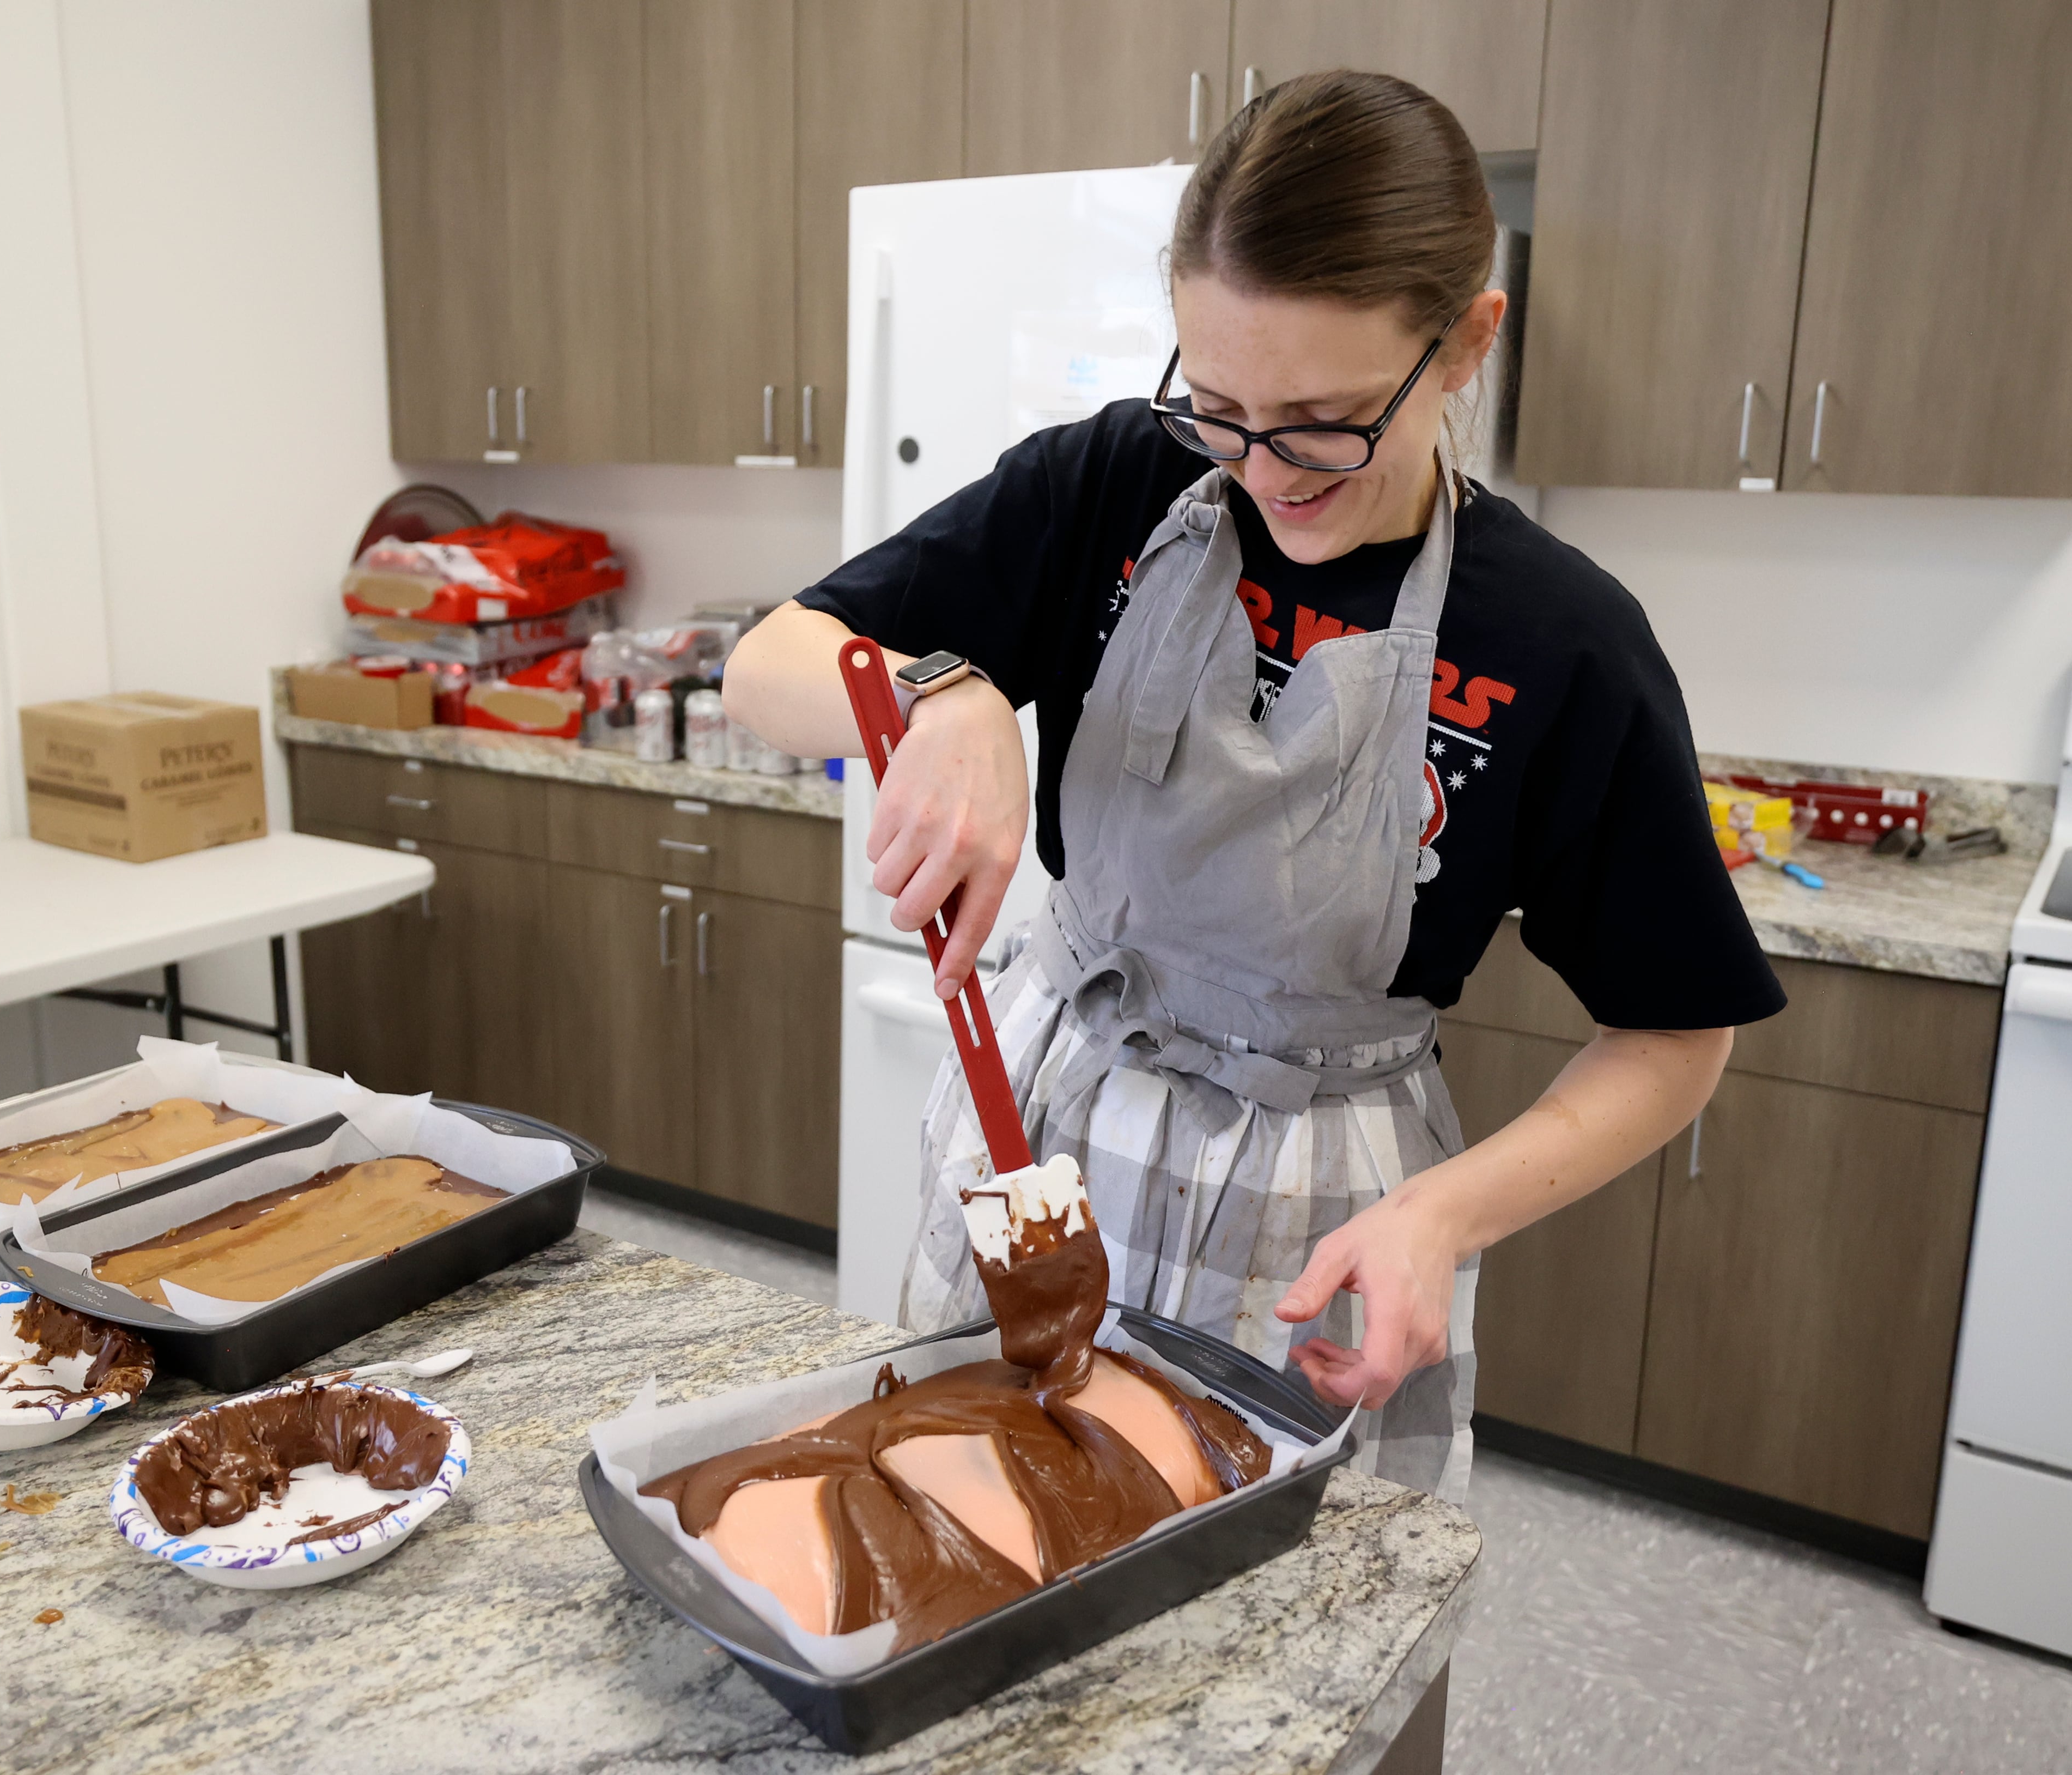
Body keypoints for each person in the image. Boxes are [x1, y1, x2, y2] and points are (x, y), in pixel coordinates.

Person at [722, 70, 1784, 1501]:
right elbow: (768, 662)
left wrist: (1441, 1220)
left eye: (1323, 420)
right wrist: (941, 689)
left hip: (1322, 1208)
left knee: (1265, 1628)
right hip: (1044, 1120)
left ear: (1467, 343)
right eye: (1217, 405)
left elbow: (1676, 1035)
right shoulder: (1109, 483)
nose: (1261, 468)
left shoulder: (1558, 640)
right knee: (971, 1527)